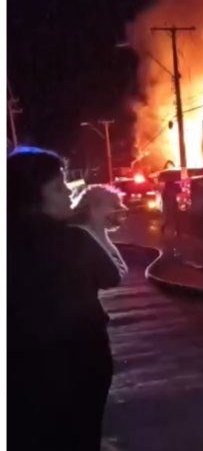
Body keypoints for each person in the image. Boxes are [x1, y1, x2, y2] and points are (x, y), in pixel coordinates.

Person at [8, 147, 122, 450]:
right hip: (81, 359)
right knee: (81, 433)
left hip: (19, 367)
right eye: (58, 188)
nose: (68, 194)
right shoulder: (73, 240)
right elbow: (112, 276)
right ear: (34, 197)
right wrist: (95, 227)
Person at [71, 184, 129, 279]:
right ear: (93, 207)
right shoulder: (81, 239)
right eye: (114, 205)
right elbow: (115, 275)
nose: (119, 210)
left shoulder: (86, 234)